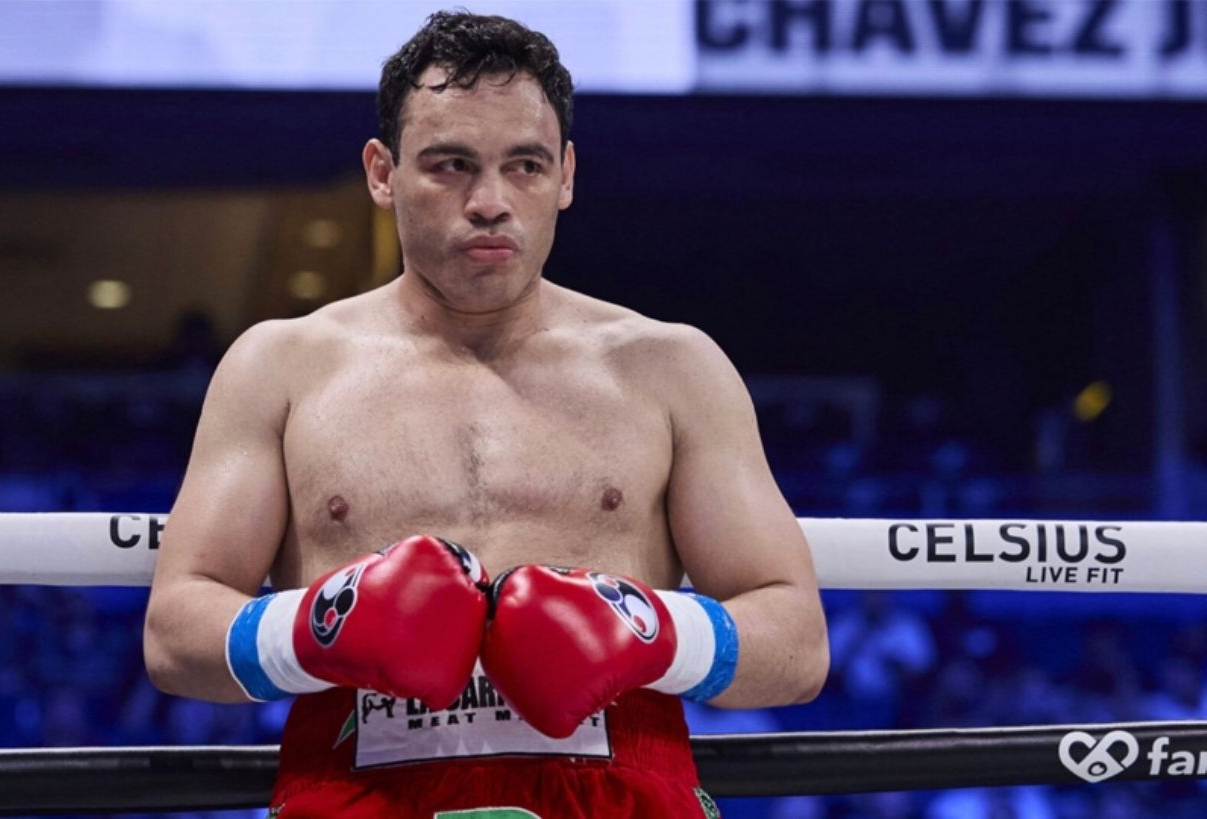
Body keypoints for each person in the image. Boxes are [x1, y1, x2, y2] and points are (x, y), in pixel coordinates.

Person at [144, 11, 828, 818]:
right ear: (382, 172)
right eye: (451, 165)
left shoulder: (670, 368)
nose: (491, 202)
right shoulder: (282, 367)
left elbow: (797, 642)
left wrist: (649, 629)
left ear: (565, 175)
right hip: (358, 790)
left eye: (525, 166)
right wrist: (320, 626)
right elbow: (175, 633)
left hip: (618, 793)